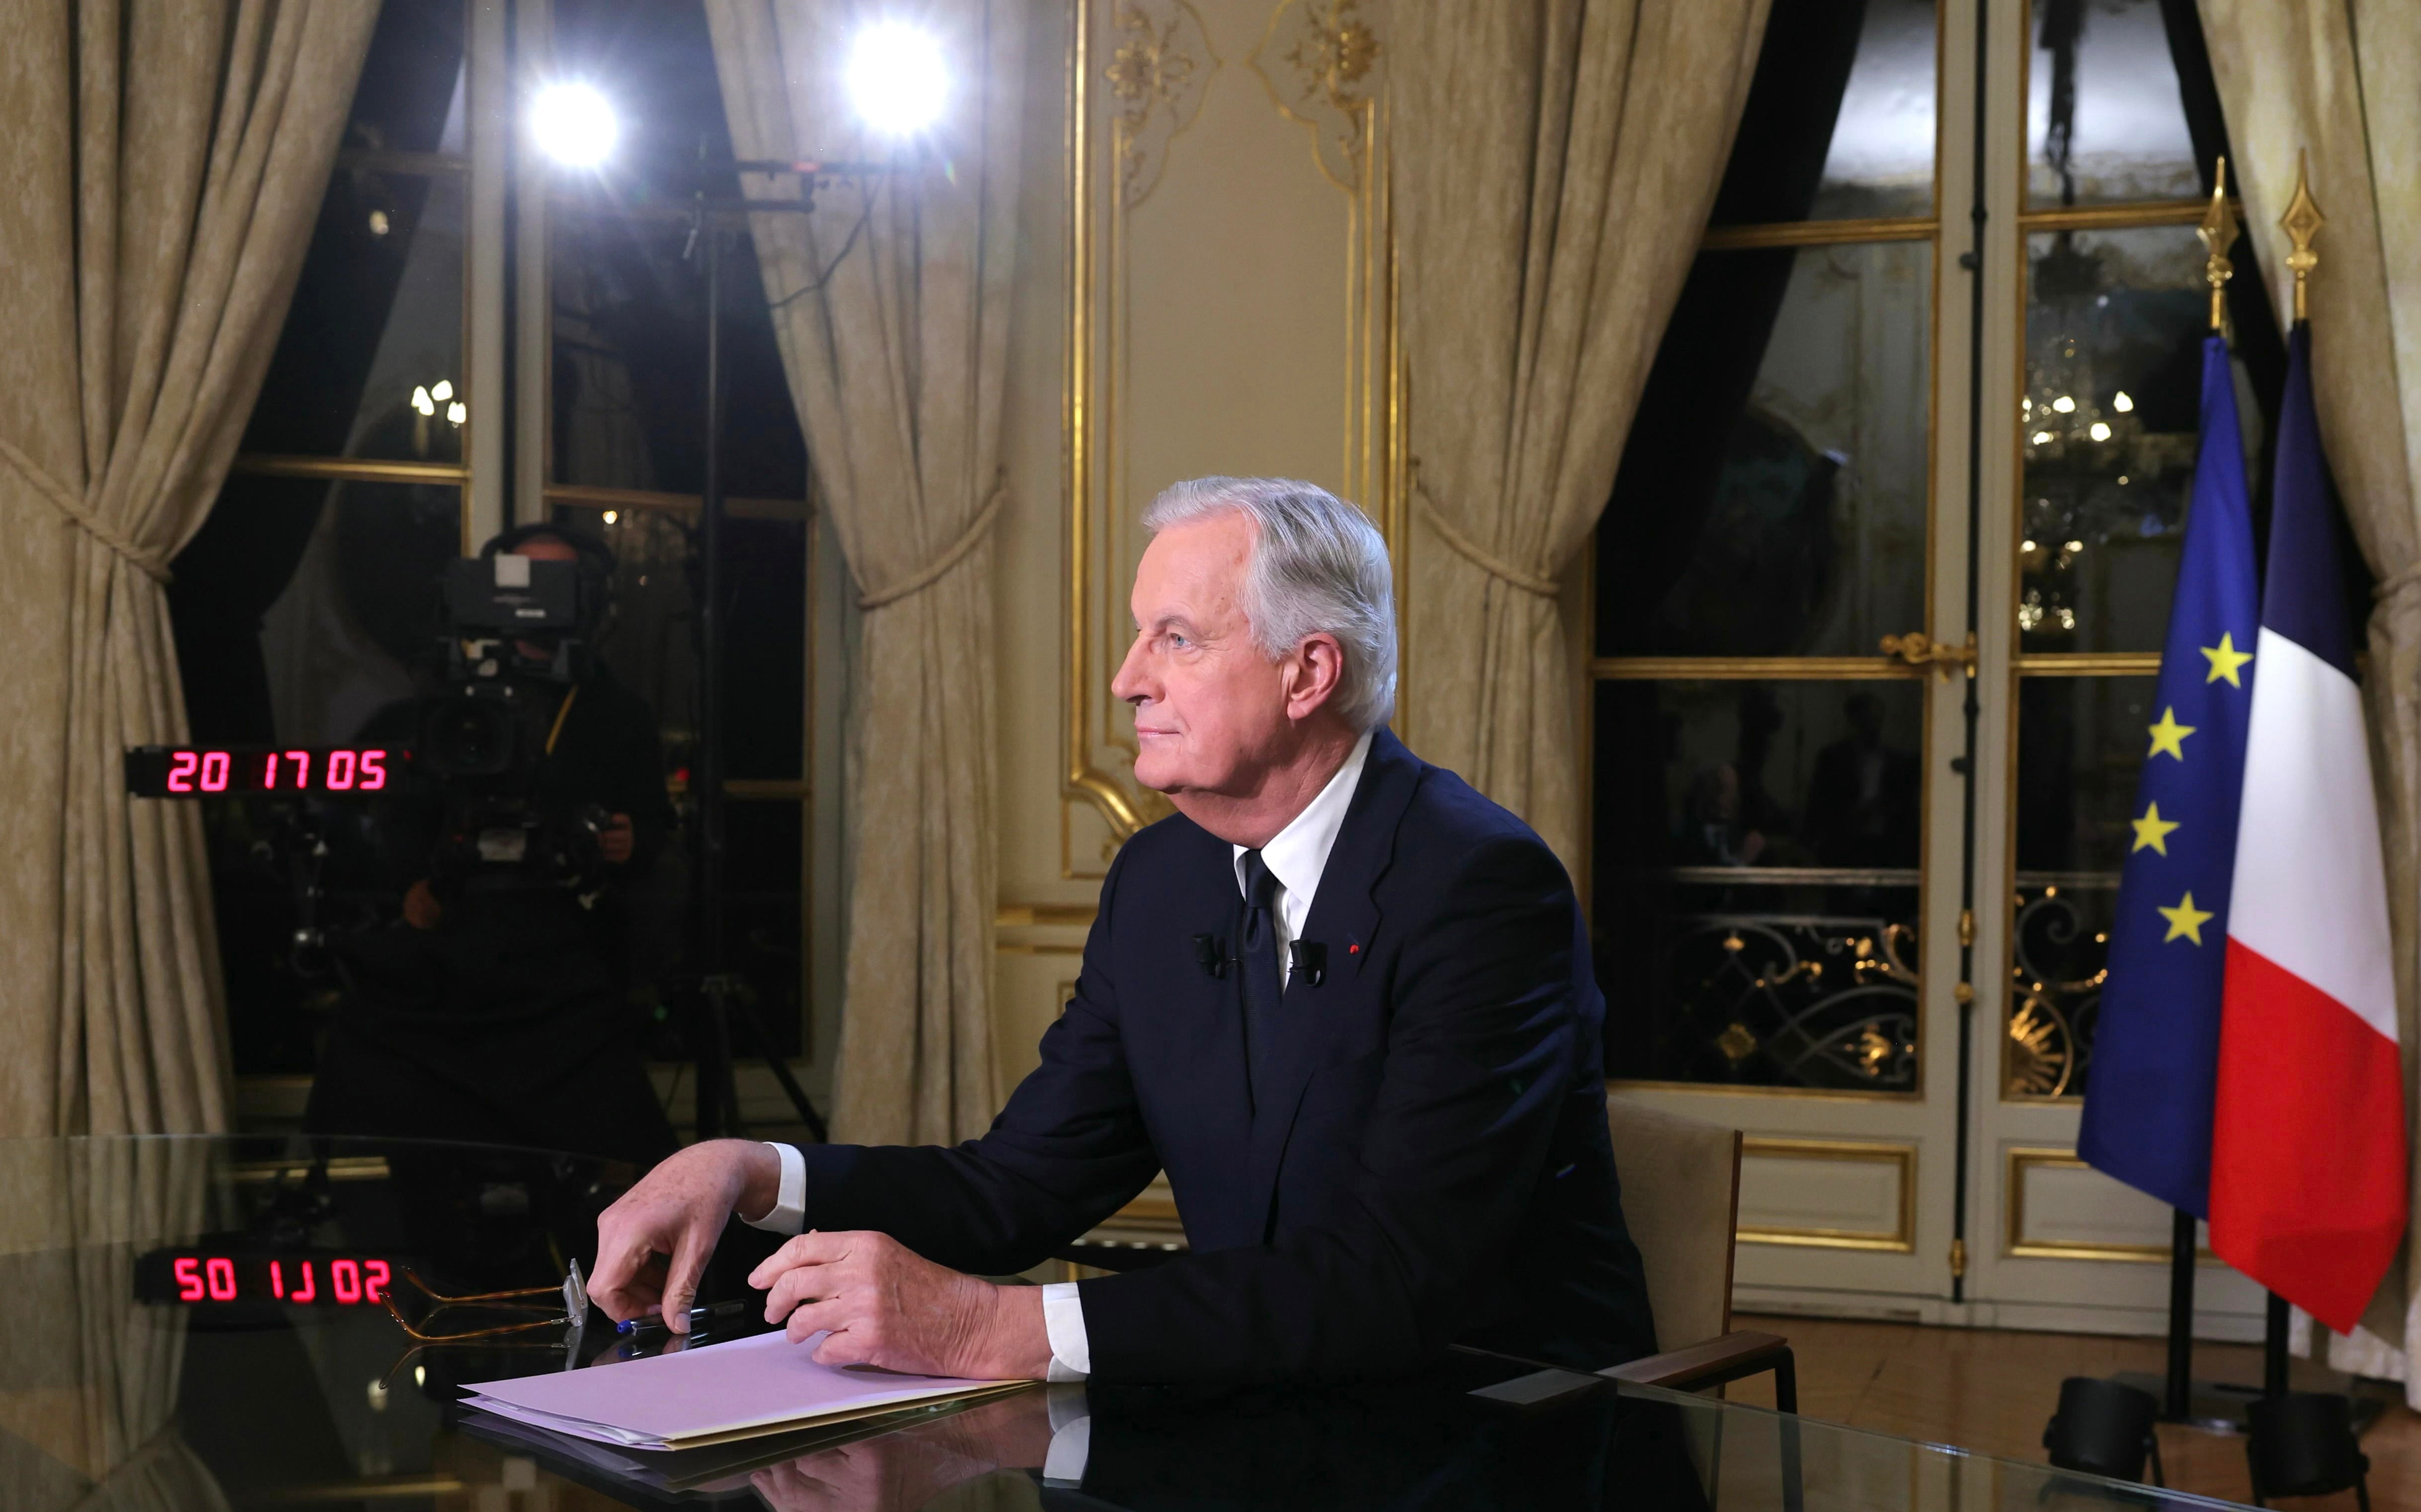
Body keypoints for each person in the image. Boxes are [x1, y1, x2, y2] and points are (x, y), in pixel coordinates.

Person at [587, 476, 1655, 1381]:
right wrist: (754, 1170)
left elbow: (1391, 1279)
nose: (1126, 679)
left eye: (1176, 639)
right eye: (1141, 635)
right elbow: (1017, 1186)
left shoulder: (1479, 886)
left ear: (1308, 673)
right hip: (1264, 1421)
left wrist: (985, 1326)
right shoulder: (1159, 878)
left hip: (1484, 1457)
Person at [305, 524, 680, 1170]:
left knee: (624, 1167)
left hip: (567, 971)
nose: (540, 600)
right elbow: (392, 823)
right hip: (447, 965)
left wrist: (630, 840)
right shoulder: (442, 704)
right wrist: (411, 887)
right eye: (524, 581)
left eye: (559, 582)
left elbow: (654, 825)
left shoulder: (616, 711)